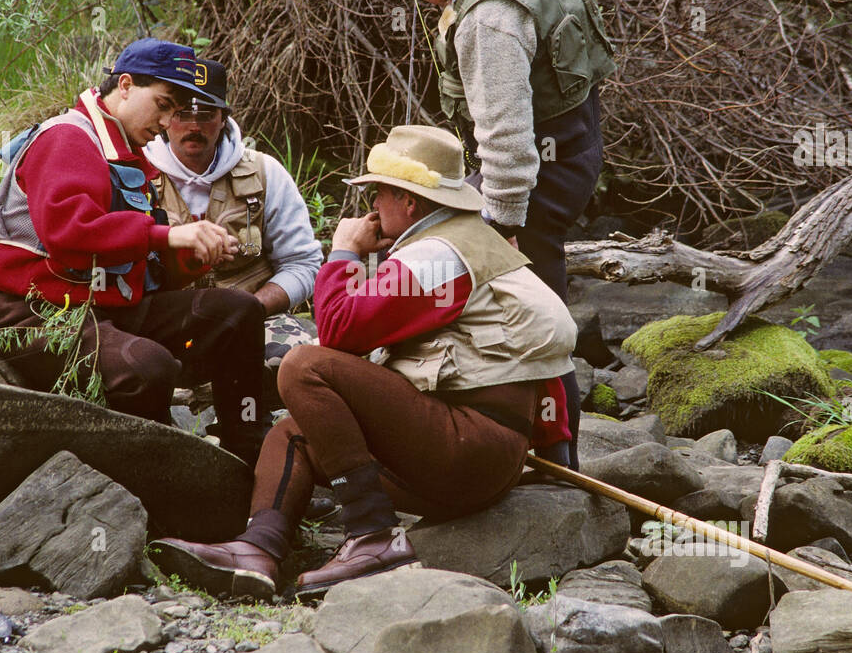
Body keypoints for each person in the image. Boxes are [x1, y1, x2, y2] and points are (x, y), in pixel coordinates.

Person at [148, 125, 577, 600]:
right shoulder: (479, 243)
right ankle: (258, 549)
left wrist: (344, 252)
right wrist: (554, 453)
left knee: (303, 366)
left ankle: (372, 533)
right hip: (477, 454)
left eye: (378, 194)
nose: (372, 206)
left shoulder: (437, 257)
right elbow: (545, 367)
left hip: (465, 448)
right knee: (292, 432)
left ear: (408, 201)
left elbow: (336, 332)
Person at [370, 0, 616, 469]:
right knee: (525, 294)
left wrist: (502, 228)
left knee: (534, 311)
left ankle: (555, 462)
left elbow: (506, 143)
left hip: (537, 173)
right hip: (575, 148)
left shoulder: (489, 19)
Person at [0, 38, 267, 464]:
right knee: (148, 367)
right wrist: (167, 236)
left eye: (176, 111)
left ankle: (247, 457)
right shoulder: (69, 139)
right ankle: (158, 477)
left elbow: (134, 260)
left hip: (104, 307)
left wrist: (191, 256)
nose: (168, 122)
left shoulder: (125, 151)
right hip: (32, 314)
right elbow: (70, 234)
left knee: (238, 312)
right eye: (164, 105)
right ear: (126, 85)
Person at [142, 57, 322, 378]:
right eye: (183, 113)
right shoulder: (134, 174)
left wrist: (251, 308)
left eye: (206, 115)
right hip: (163, 325)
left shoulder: (266, 173)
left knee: (306, 356)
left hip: (255, 321)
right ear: (166, 117)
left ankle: (250, 422)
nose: (194, 127)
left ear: (224, 118)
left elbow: (303, 264)